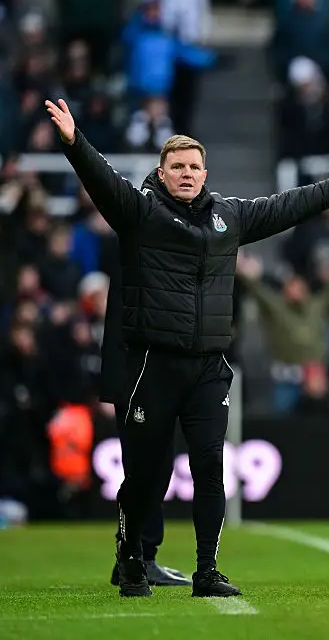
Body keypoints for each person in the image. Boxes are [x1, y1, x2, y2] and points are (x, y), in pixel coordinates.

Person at [45, 98, 329, 598]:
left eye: (193, 167)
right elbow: (102, 180)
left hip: (208, 366)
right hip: (152, 364)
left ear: (205, 173)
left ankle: (206, 571)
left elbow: (288, 206)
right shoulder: (139, 213)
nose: (186, 174)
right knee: (144, 473)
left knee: (210, 467)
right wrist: (74, 142)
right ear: (161, 174)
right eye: (177, 167)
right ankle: (133, 562)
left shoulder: (228, 216)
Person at [101, 231, 191, 588]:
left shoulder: (141, 249)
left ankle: (136, 556)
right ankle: (137, 556)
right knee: (145, 470)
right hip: (135, 378)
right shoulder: (137, 250)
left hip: (144, 376)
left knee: (155, 467)